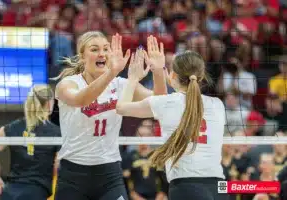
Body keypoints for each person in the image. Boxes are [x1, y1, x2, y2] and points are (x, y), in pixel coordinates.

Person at [54, 31, 167, 200]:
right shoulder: (68, 84)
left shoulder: (120, 85)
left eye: (106, 49)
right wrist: (111, 73)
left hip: (109, 174)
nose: (102, 53)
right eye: (94, 49)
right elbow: (81, 99)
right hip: (73, 175)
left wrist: (158, 71)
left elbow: (160, 102)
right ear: (82, 57)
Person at [116, 50, 229, 200]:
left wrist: (132, 79)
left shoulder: (167, 103)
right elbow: (186, 103)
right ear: (201, 76)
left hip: (187, 187)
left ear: (173, 75)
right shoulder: (218, 105)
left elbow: (121, 108)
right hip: (219, 187)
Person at [0, 84, 61, 200]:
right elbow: (60, 167)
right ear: (49, 103)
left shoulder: (9, 128)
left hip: (9, 193)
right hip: (36, 193)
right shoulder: (57, 133)